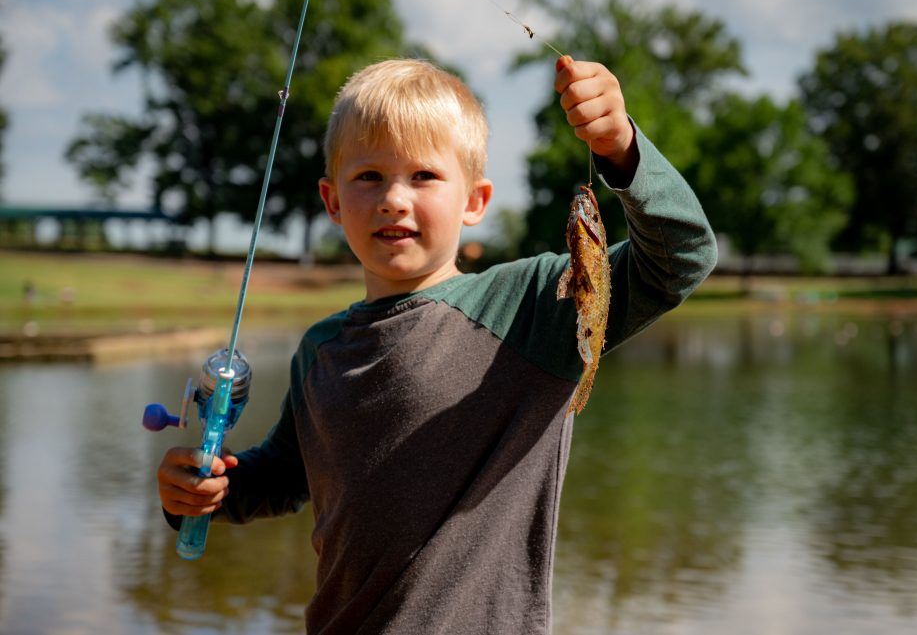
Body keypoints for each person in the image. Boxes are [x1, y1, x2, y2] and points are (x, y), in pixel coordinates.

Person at [156, 55, 717, 633]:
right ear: (331, 201)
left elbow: (681, 258)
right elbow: (286, 477)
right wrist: (205, 492)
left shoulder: (530, 308)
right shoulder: (319, 349)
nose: (394, 198)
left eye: (423, 176)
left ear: (475, 201)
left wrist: (622, 149)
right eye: (368, 176)